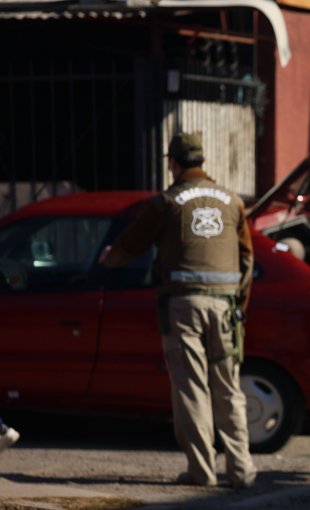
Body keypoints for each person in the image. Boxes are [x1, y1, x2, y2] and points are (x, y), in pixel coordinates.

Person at [100, 132, 256, 490]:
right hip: (226, 308)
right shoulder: (232, 202)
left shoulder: (165, 202)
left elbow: (131, 245)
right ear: (203, 162)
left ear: (173, 162)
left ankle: (202, 471)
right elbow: (247, 259)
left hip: (183, 307)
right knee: (228, 389)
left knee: (192, 390)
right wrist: (240, 305)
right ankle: (242, 471)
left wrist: (108, 260)